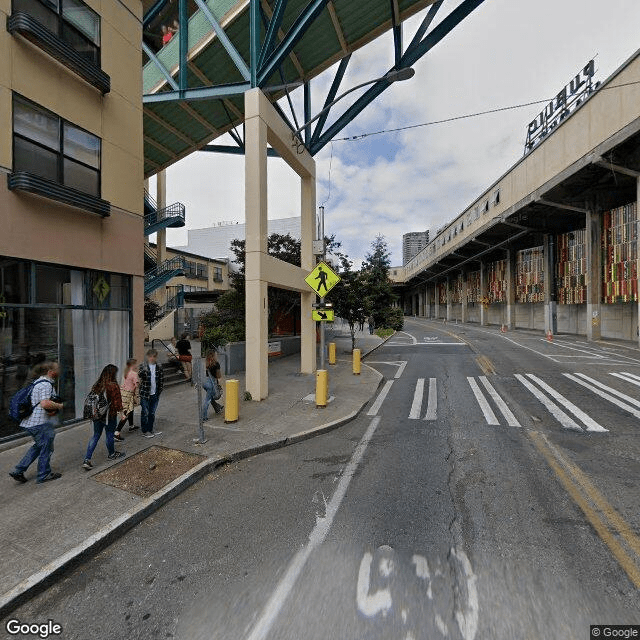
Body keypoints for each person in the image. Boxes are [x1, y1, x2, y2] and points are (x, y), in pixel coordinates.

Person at [9, 361, 63, 484]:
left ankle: (18, 470)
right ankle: (43, 474)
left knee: (39, 446)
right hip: (40, 423)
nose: (60, 370)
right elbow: (45, 403)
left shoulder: (38, 382)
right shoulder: (46, 385)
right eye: (58, 368)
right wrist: (59, 406)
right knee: (47, 448)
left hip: (32, 422)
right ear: (51, 372)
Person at [83, 365, 125, 469]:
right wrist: (121, 413)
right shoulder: (113, 385)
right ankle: (112, 454)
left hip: (97, 415)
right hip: (109, 415)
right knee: (109, 434)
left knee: (96, 435)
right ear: (113, 374)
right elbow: (117, 401)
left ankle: (87, 459)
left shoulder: (97, 384)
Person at [138, 349, 164, 438]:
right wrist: (144, 370)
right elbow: (140, 375)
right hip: (145, 394)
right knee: (145, 412)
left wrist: (159, 391)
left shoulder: (159, 366)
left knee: (152, 413)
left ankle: (151, 429)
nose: (152, 358)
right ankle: (145, 431)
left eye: (154, 356)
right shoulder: (143, 365)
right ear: (147, 357)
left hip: (155, 394)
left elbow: (161, 379)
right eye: (150, 356)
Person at [114, 358, 139, 440]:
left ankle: (131, 426)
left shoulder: (125, 372)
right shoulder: (134, 374)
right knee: (126, 414)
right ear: (132, 365)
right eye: (135, 364)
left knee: (130, 410)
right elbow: (137, 386)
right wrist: (137, 397)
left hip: (123, 393)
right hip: (128, 395)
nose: (136, 365)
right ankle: (116, 433)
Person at [201, 350, 223, 421]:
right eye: (216, 355)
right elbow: (219, 376)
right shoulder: (216, 364)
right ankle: (204, 417)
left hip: (204, 383)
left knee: (211, 397)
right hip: (211, 383)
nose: (217, 356)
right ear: (213, 356)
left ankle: (217, 408)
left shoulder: (207, 363)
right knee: (207, 400)